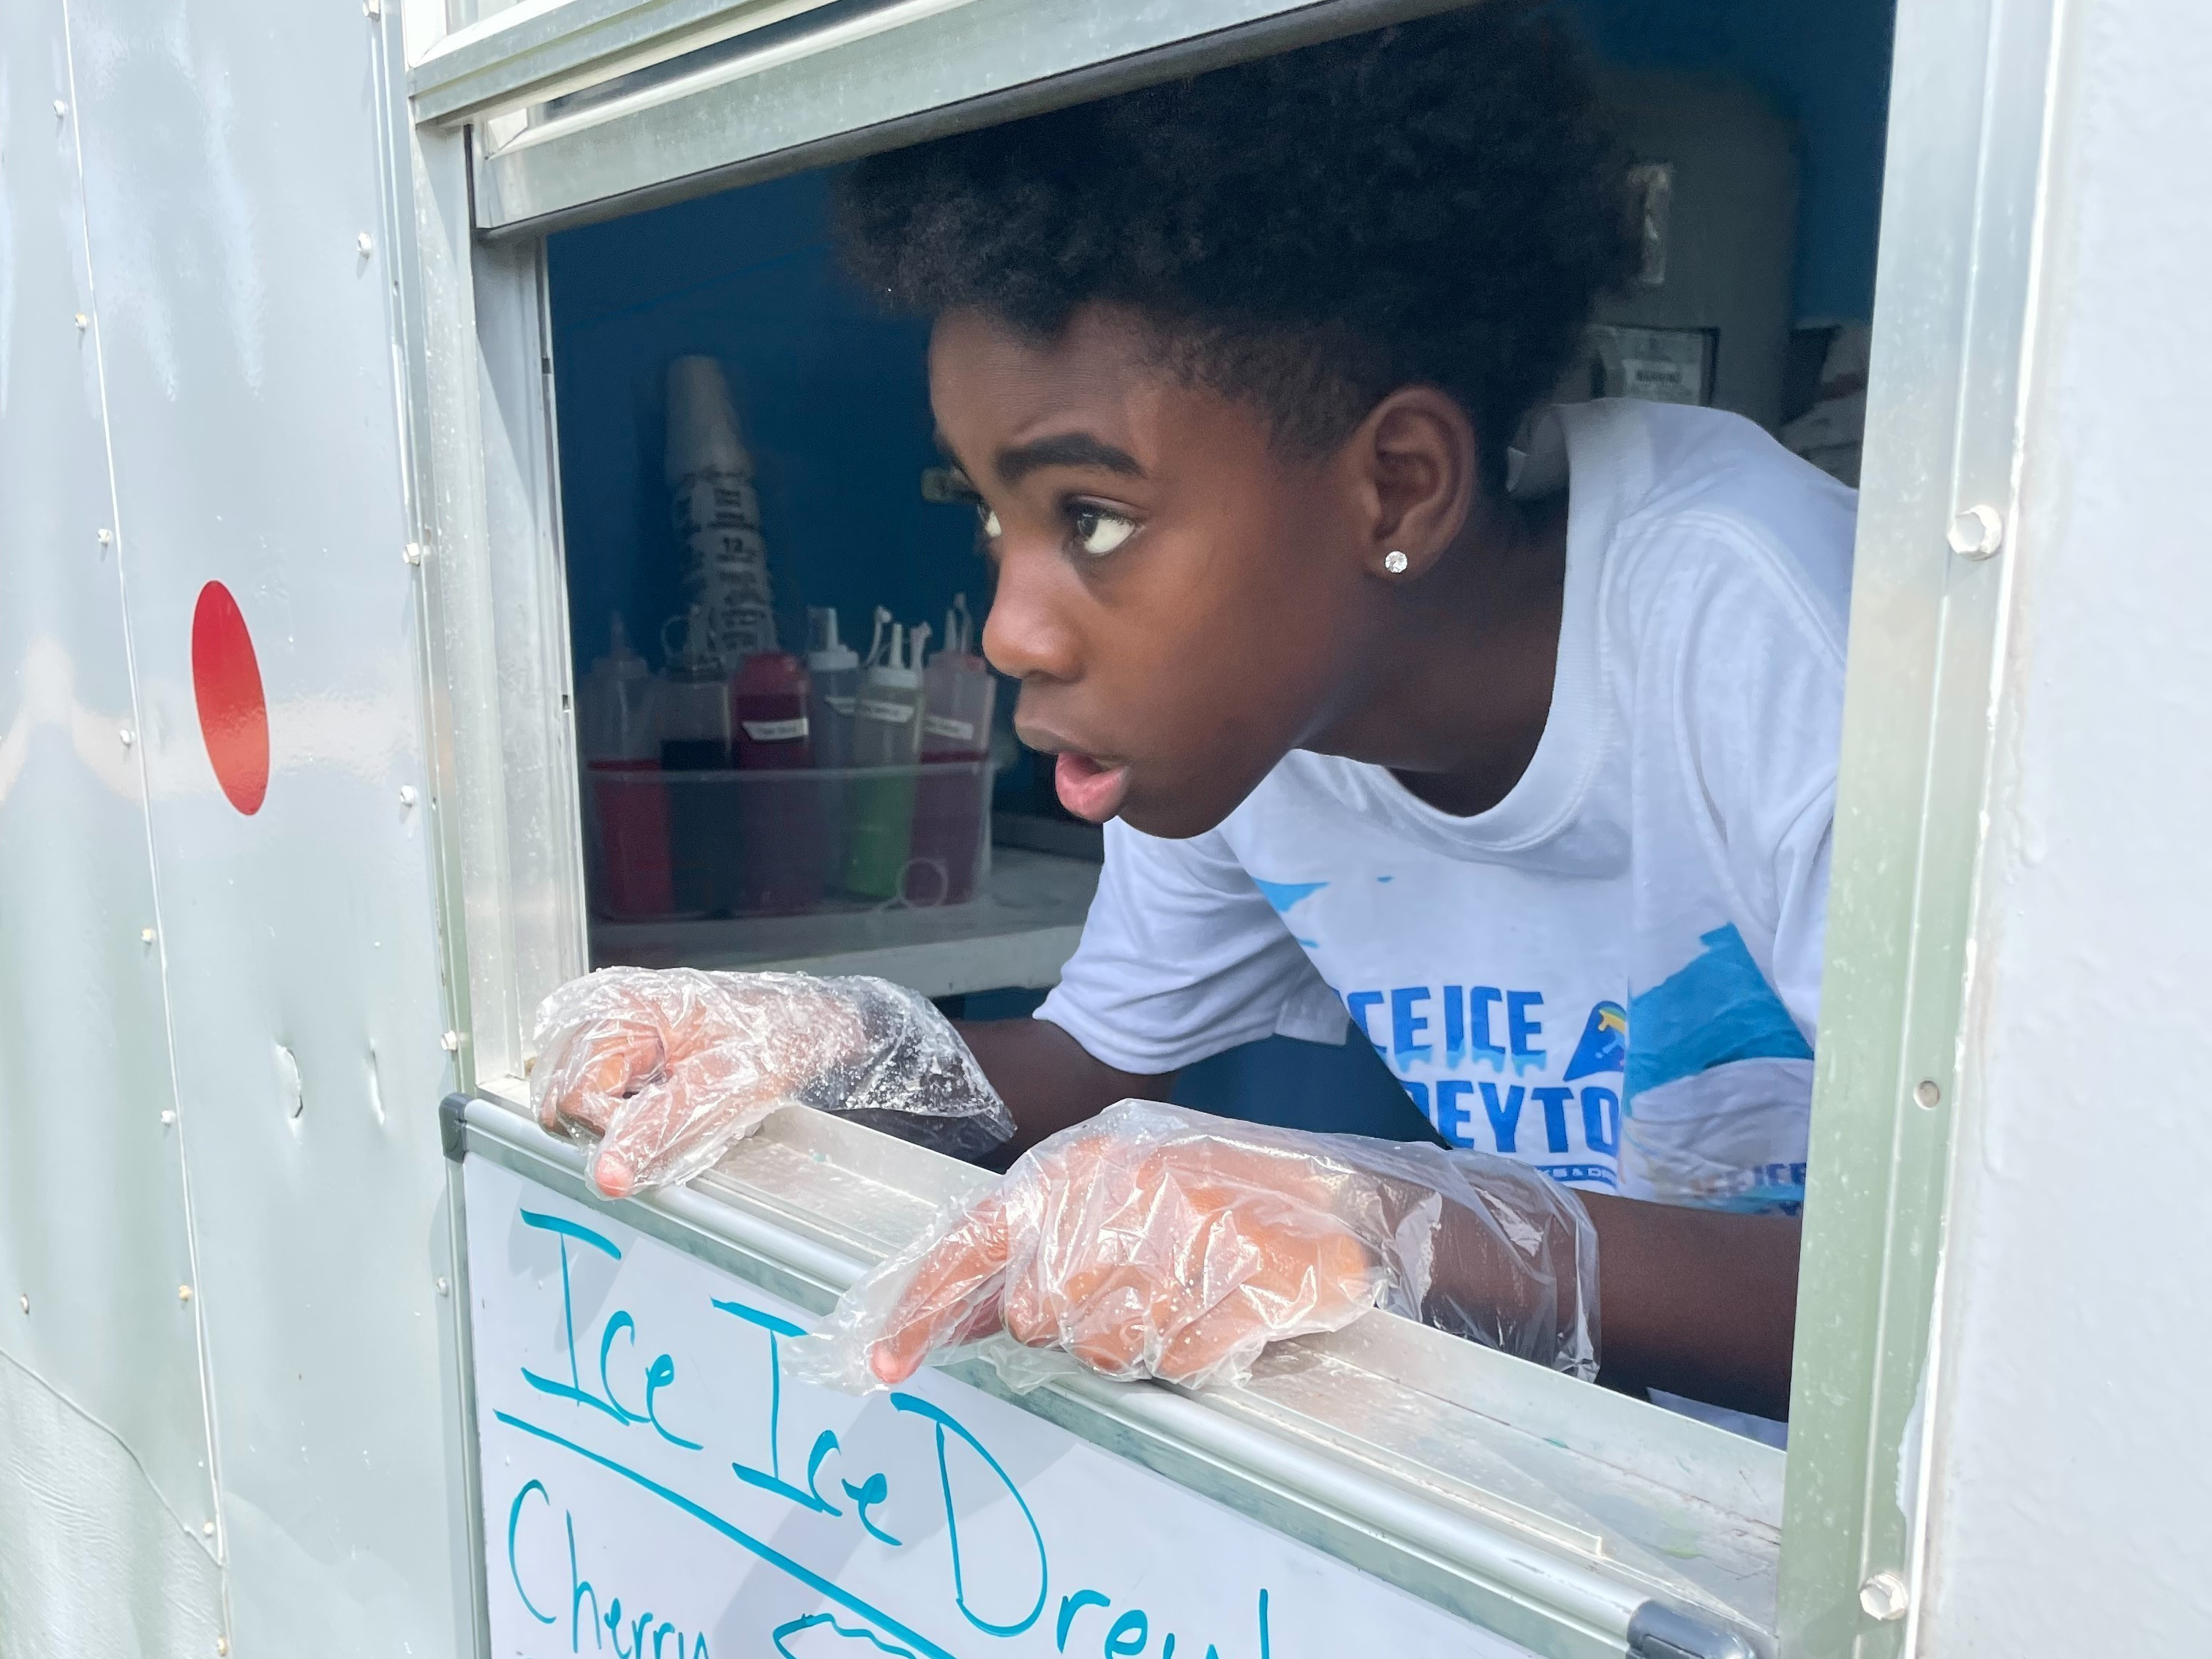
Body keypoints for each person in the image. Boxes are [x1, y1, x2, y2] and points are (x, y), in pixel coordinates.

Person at [537, 4, 1850, 1421]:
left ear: (1396, 486)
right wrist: (826, 1051)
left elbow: (1955, 1291)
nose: (1007, 629)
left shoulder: (1751, 623)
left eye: (1093, 518)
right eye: (992, 516)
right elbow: (1092, 1059)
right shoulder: (1255, 719)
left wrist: (1387, 1229)